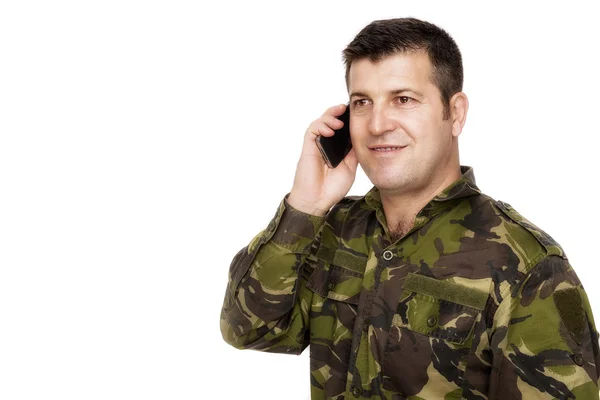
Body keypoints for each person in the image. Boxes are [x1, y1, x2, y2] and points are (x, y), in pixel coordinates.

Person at [219, 17, 600, 399]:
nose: (378, 124)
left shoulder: (527, 266)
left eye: (404, 99)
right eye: (362, 102)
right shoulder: (331, 230)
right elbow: (246, 329)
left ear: (456, 113)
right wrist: (304, 207)